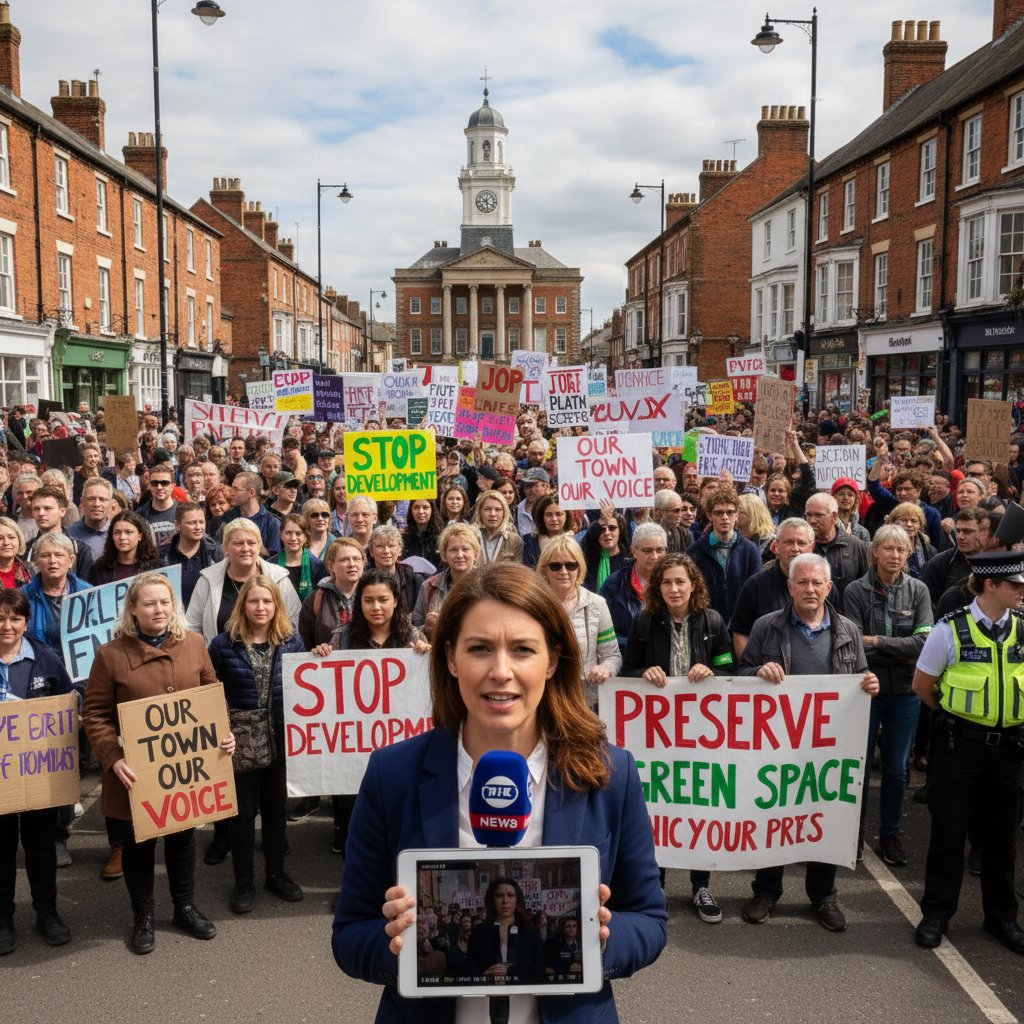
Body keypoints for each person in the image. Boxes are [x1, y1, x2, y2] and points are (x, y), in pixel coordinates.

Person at [332, 562, 667, 1022]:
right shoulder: (393, 774)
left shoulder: (611, 774)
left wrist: (603, 941)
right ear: (451, 658)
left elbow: (649, 920)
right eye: (480, 649)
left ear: (552, 660)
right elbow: (350, 935)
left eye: (523, 649)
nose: (501, 671)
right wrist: (401, 946)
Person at [81, 572, 235, 954]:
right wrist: (112, 758)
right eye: (149, 603)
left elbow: (212, 694)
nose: (158, 609)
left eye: (164, 602)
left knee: (183, 839)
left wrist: (222, 732)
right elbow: (95, 713)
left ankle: (184, 907)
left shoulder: (195, 644)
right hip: (136, 773)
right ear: (133, 609)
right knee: (139, 847)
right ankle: (143, 915)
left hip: (185, 770)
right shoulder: (111, 655)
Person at [738, 553, 879, 932]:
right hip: (776, 746)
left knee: (824, 816)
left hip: (826, 748)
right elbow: (740, 674)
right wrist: (757, 671)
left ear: (829, 587)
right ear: (790, 586)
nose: (810, 589)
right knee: (774, 815)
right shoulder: (767, 626)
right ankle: (766, 891)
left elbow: (861, 674)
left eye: (817, 583)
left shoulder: (847, 629)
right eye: (802, 582)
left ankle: (824, 896)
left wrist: (868, 683)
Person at [911, 551, 1024, 955]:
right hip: (961, 747)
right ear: (990, 585)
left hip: (1010, 749)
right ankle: (937, 914)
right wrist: (954, 720)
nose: (1022, 592)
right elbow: (923, 684)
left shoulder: (1022, 629)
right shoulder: (950, 629)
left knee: (1001, 839)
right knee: (948, 833)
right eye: (1016, 585)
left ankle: (1002, 918)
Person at [621, 553, 733, 923]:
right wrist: (644, 672)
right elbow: (630, 666)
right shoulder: (645, 622)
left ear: (693, 585)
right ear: (658, 587)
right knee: (662, 807)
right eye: (666, 582)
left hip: (703, 732)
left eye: (680, 582)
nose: (673, 588)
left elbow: (730, 664)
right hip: (659, 733)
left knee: (699, 805)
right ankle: (659, 885)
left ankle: (701, 885)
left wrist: (711, 669)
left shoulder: (713, 620)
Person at [208, 576, 307, 914]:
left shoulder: (292, 641)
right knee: (243, 815)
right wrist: (222, 729)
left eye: (267, 601)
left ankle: (276, 874)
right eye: (253, 602)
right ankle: (244, 881)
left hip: (281, 738)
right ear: (243, 606)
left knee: (277, 811)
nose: (260, 608)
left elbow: (307, 689)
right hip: (240, 741)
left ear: (276, 605)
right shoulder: (223, 644)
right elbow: (211, 693)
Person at [843, 525, 932, 866]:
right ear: (874, 552)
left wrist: (876, 641)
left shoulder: (918, 591)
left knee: (896, 770)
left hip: (905, 691)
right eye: (889, 549)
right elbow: (852, 645)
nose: (895, 555)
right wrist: (900, 649)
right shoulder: (855, 590)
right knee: (859, 767)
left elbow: (924, 644)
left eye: (902, 549)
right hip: (865, 691)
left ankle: (891, 835)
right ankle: (854, 833)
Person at [0, 588, 74, 954]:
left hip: (37, 773)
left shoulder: (44, 658)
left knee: (40, 846)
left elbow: (67, 703)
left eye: (15, 619)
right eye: (0, 619)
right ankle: (3, 917)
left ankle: (47, 912)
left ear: (26, 622)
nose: (7, 626)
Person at [537, 536, 621, 708]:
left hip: (584, 702)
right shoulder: (533, 605)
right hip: (542, 699)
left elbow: (612, 655)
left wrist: (605, 669)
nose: (563, 571)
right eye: (555, 566)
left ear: (579, 567)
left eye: (570, 565)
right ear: (544, 569)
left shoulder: (597, 604)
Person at [730, 518, 816, 657]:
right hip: (767, 674)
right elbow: (740, 633)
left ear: (811, 548)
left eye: (801, 543)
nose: (795, 548)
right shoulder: (755, 585)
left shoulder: (823, 587)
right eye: (788, 542)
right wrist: (752, 669)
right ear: (776, 547)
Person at [686, 486, 762, 621]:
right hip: (707, 625)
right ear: (709, 515)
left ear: (737, 515)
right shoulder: (695, 552)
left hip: (741, 624)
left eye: (730, 512)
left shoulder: (750, 550)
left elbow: (756, 591)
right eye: (719, 513)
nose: (725, 517)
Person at [600, 522, 668, 652]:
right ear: (634, 551)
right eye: (647, 551)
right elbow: (605, 633)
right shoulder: (614, 585)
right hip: (627, 660)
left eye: (659, 550)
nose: (654, 556)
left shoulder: (675, 582)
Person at [465, 877, 545, 983]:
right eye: (499, 896)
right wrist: (484, 974)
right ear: (492, 900)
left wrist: (509, 972)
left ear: (517, 900)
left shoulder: (530, 931)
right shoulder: (479, 932)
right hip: (487, 992)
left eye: (510, 895)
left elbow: (538, 968)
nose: (505, 901)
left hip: (522, 993)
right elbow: (469, 968)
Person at [411, 522, 481, 641]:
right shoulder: (429, 586)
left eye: (465, 549)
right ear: (444, 554)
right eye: (453, 550)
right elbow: (413, 628)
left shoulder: (488, 584)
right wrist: (427, 628)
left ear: (475, 553)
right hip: (439, 654)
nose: (459, 555)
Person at [802, 492, 868, 613]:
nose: (812, 520)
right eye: (809, 515)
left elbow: (867, 588)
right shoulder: (801, 548)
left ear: (834, 517)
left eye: (818, 515)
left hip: (848, 621)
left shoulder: (856, 546)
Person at [166, 502, 223, 609]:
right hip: (177, 619)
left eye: (201, 522)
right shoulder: (165, 556)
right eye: (192, 523)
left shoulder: (216, 553)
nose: (198, 527)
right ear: (178, 525)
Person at [88, 510, 163, 586]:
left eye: (128, 532)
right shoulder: (99, 569)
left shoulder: (157, 567)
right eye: (117, 532)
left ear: (140, 536)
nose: (122, 537)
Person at [366, 525, 422, 613]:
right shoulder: (364, 581)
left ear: (400, 550)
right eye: (380, 546)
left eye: (391, 546)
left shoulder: (414, 580)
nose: (386, 551)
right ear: (371, 551)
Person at [275, 513, 327, 604]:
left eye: (298, 533)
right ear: (281, 536)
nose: (293, 538)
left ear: (306, 537)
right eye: (288, 533)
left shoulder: (318, 566)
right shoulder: (271, 565)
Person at [134, 464, 178, 555]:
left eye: (164, 483)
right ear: (149, 485)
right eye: (154, 483)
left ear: (172, 486)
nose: (159, 487)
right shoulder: (138, 516)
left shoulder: (183, 511)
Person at [472, 490, 524, 565]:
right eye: (487, 509)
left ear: (504, 513)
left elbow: (517, 572)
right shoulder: (471, 537)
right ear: (480, 512)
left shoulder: (514, 540)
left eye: (498, 510)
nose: (493, 514)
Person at [67, 476, 114, 560]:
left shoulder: (119, 534)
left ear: (110, 504)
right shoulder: (68, 535)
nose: (96, 504)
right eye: (91, 499)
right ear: (82, 502)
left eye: (102, 499)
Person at [582, 514, 630, 593]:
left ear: (620, 531)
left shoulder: (628, 563)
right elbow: (586, 541)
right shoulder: (589, 561)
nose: (607, 533)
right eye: (601, 529)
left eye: (612, 528)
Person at [403, 498, 441, 570]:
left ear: (432, 509)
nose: (420, 511)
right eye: (416, 507)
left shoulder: (441, 538)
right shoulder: (404, 538)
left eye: (425, 507)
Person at [0, 516, 33, 587]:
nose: (6, 543)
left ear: (19, 540)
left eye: (11, 537)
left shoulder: (33, 570)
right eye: (0, 538)